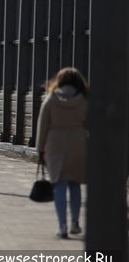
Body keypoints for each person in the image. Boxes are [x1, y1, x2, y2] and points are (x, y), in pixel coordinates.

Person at [35, 67, 88, 239]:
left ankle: (62, 226)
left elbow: (43, 126)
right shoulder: (84, 100)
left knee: (59, 184)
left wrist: (40, 149)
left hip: (54, 144)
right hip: (78, 142)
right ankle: (75, 222)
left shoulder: (51, 99)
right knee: (75, 184)